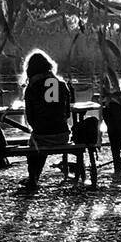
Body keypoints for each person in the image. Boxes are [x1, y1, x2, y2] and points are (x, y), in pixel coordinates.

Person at [21, 49, 74, 188]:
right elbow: (67, 114)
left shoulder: (31, 88)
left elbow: (30, 117)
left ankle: (33, 177)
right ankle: (33, 178)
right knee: (41, 137)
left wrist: (40, 125)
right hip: (62, 135)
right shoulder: (61, 85)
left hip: (42, 136)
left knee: (35, 141)